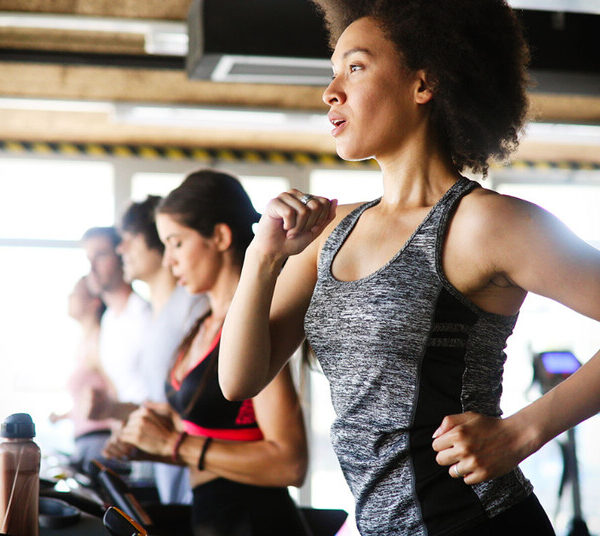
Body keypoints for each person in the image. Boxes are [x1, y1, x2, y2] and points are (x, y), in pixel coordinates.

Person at [218, 2, 600, 535]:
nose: (331, 90)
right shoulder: (330, 230)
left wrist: (523, 432)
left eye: (355, 67)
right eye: (332, 71)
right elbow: (240, 380)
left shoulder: (485, 223)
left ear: (423, 83)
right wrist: (263, 257)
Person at [108, 170, 310, 535]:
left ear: (219, 236)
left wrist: (172, 443)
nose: (169, 261)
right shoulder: (201, 323)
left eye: (177, 243)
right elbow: (215, 424)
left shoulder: (248, 333)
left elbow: (290, 462)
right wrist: (146, 438)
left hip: (255, 521)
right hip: (211, 516)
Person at [91, 197, 208, 505]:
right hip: (172, 480)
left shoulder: (193, 309)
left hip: (201, 485)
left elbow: (200, 409)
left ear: (157, 242)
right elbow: (164, 407)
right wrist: (116, 412)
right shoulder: (160, 316)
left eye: (129, 239)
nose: (121, 249)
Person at [81, 227, 152, 410]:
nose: (92, 267)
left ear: (121, 257)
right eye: (88, 258)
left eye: (101, 255)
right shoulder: (109, 320)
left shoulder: (144, 314)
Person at [49, 276, 115, 471]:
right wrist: (64, 416)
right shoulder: (84, 344)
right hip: (87, 439)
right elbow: (90, 398)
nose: (70, 297)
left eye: (75, 293)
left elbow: (116, 391)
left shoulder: (100, 341)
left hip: (99, 441)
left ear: (94, 302)